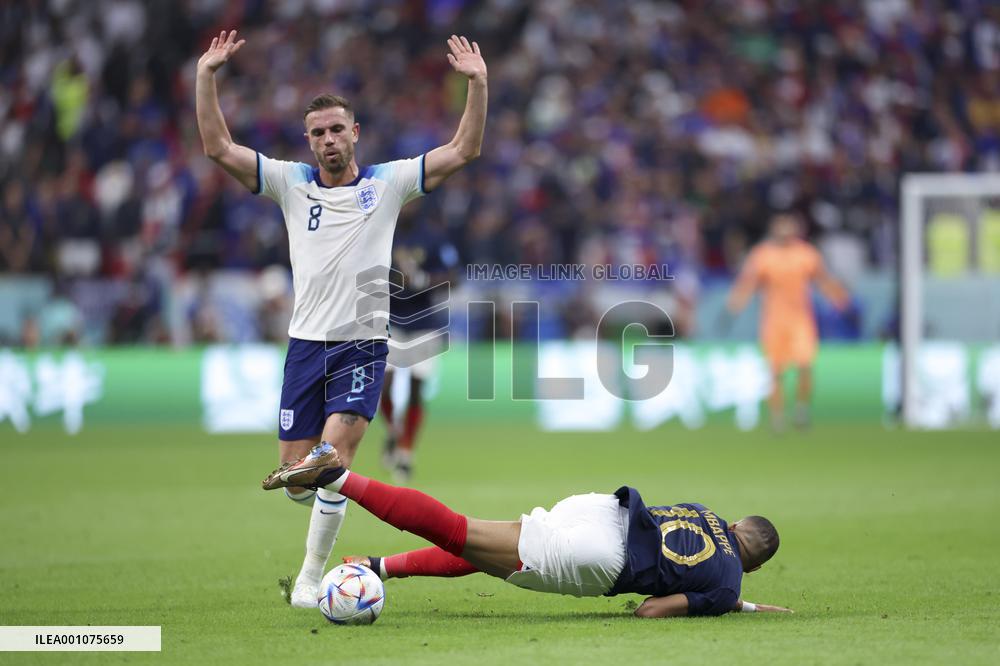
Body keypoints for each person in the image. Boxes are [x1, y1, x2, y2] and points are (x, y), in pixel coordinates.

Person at [195, 29, 488, 608]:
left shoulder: (388, 183)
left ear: (355, 133)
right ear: (308, 142)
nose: (329, 140)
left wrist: (478, 84)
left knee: (332, 461)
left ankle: (310, 583)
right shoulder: (289, 183)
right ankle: (332, 515)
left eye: (337, 129)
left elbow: (463, 151)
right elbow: (218, 149)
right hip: (304, 346)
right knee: (298, 479)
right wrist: (206, 77)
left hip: (361, 344)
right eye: (318, 133)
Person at [261, 444, 791, 617]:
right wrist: (732, 603)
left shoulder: (706, 513)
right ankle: (339, 476)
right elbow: (652, 608)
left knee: (494, 551)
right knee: (458, 532)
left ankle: (380, 567)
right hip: (599, 558)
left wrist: (733, 601)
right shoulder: (726, 585)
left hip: (603, 509)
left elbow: (703, 561)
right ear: (758, 565)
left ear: (736, 524)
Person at [726, 213, 848, 431]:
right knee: (775, 369)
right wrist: (737, 302)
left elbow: (822, 279)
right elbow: (749, 282)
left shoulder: (806, 254)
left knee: (804, 365)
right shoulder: (763, 255)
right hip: (773, 319)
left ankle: (801, 409)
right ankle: (777, 415)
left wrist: (837, 297)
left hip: (800, 319)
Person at [380, 214, 458, 482]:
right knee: (383, 386)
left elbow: (454, 277)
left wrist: (423, 280)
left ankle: (405, 454)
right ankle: (394, 430)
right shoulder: (381, 232)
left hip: (424, 324)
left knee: (415, 389)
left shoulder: (433, 238)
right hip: (389, 321)